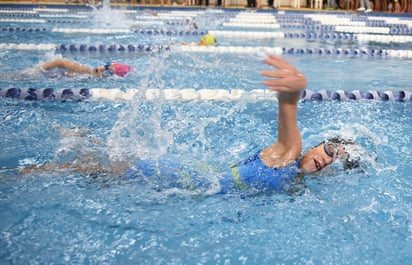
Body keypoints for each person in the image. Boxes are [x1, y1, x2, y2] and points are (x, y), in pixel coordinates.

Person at [21, 55, 360, 194]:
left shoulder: (293, 183)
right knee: (73, 170)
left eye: (336, 161)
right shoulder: (289, 155)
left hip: (189, 175)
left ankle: (73, 134)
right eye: (331, 149)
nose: (327, 158)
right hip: (171, 175)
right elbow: (288, 108)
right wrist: (296, 89)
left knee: (93, 162)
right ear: (318, 143)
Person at [40, 59, 132, 77]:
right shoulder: (84, 71)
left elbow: (60, 61)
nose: (102, 67)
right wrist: (37, 70)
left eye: (106, 67)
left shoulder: (85, 72)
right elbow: (59, 62)